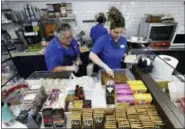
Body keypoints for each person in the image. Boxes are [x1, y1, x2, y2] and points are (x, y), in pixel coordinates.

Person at [89, 8, 127, 77]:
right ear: (110, 29)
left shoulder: (123, 40)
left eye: (121, 32)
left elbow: (123, 53)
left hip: (117, 73)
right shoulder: (103, 39)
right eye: (116, 32)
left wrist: (125, 56)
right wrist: (105, 67)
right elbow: (92, 55)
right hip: (104, 73)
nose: (119, 35)